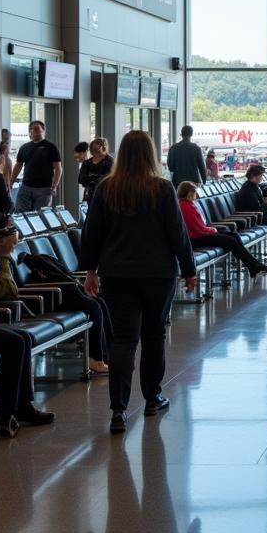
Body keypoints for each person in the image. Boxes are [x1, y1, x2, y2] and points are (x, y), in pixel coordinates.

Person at [79, 131, 198, 434]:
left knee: (123, 339)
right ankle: (151, 398)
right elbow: (177, 233)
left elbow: (92, 233)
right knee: (154, 335)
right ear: (150, 154)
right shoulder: (161, 188)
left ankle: (118, 410)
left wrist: (90, 270)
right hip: (157, 274)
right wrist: (189, 269)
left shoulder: (107, 188)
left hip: (116, 274)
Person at [0, 215, 55, 437]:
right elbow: (2, 291)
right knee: (16, 343)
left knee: (23, 338)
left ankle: (23, 407)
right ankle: (6, 416)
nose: (15, 242)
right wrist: (7, 260)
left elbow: (6, 291)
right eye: (10, 238)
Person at [177, 182, 267, 279]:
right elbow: (197, 229)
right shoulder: (185, 206)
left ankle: (253, 265)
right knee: (230, 240)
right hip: (196, 238)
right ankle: (253, 265)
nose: (196, 194)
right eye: (194, 192)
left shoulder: (189, 204)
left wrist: (211, 229)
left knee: (234, 235)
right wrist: (212, 230)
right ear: (189, 193)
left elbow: (199, 226)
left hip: (200, 234)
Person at [10, 120, 62, 211]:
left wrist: (55, 186)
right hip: (26, 187)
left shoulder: (51, 147)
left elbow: (58, 168)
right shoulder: (24, 147)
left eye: (36, 129)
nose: (33, 131)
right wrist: (11, 181)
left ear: (43, 130)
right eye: (31, 129)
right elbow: (18, 165)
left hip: (44, 188)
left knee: (40, 217)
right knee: (21, 215)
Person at [78, 138, 113, 208]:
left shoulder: (111, 161)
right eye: (94, 146)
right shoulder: (86, 163)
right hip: (91, 195)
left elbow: (111, 178)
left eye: (99, 145)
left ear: (104, 147)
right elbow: (82, 180)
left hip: (107, 195)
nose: (96, 147)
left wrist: (94, 179)